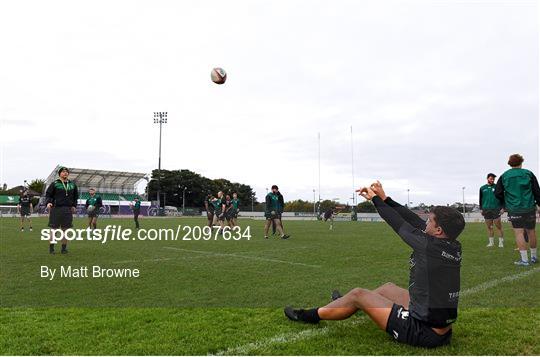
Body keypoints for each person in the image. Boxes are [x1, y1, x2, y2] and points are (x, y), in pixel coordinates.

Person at [285, 181, 465, 349]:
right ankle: (344, 304)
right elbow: (411, 218)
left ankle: (309, 315)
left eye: (429, 221)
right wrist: (386, 198)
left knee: (358, 294)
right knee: (387, 288)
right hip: (438, 325)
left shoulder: (429, 246)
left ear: (439, 230)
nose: (425, 223)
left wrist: (375, 199)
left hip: (423, 331)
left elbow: (398, 223)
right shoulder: (451, 245)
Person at [495, 154, 540, 265]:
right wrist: (538, 204)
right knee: (531, 231)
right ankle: (534, 257)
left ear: (510, 163)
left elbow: (497, 193)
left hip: (514, 209)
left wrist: (505, 203)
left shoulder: (504, 176)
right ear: (521, 162)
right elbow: (537, 191)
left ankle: (524, 260)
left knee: (519, 233)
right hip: (529, 207)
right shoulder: (528, 173)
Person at [45, 166, 79, 254]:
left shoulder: (72, 184)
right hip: (56, 208)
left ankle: (64, 248)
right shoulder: (55, 183)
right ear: (60, 174)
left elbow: (76, 197)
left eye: (66, 172)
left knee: (66, 230)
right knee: (54, 229)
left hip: (67, 209)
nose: (65, 173)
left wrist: (74, 205)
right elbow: (48, 195)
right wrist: (48, 202)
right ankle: (51, 248)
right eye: (63, 172)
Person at [479, 173, 504, 247]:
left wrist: (503, 208)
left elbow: (502, 198)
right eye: (491, 178)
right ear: (487, 178)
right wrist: (481, 208)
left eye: (493, 179)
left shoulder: (497, 187)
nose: (492, 180)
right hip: (486, 210)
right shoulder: (482, 188)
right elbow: (480, 199)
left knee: (498, 227)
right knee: (489, 227)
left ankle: (500, 242)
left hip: (496, 209)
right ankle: (491, 243)